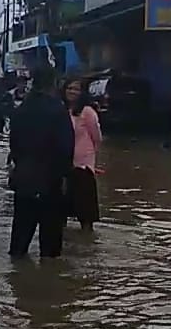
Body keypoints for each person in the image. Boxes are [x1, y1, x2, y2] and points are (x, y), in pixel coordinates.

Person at [8, 65, 75, 259]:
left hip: (24, 178)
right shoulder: (58, 110)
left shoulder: (21, 110)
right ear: (53, 83)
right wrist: (65, 177)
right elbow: (66, 148)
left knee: (19, 241)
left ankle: (18, 283)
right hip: (50, 180)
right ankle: (48, 283)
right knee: (51, 248)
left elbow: (14, 146)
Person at [62, 76, 103, 231]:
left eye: (76, 89)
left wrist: (90, 158)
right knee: (60, 212)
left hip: (83, 166)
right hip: (63, 164)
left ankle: (87, 243)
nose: (72, 92)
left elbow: (97, 137)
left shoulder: (87, 112)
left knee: (86, 214)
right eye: (69, 88)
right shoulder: (61, 110)